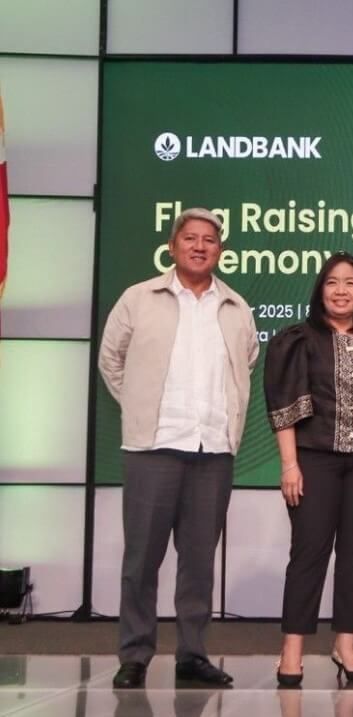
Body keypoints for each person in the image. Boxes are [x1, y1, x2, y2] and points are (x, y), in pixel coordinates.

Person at [98, 207, 259, 689]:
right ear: (172, 246)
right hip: (153, 447)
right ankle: (134, 655)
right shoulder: (139, 298)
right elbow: (111, 360)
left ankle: (192, 655)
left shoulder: (236, 307)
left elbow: (248, 362)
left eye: (209, 239)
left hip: (213, 451)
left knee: (198, 562)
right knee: (141, 560)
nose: (199, 246)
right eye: (190, 238)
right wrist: (141, 404)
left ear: (220, 251)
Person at [263, 252, 353, 687]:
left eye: (350, 283)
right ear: (320, 291)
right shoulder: (298, 339)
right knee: (309, 555)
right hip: (313, 461)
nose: (341, 290)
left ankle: (346, 646)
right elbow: (284, 407)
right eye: (332, 282)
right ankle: (292, 651)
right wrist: (289, 465)